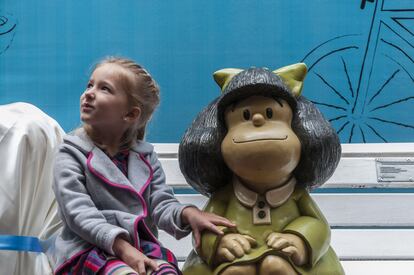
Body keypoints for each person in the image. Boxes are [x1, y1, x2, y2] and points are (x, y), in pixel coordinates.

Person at [50, 57, 234, 275]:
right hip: (89, 250)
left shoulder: (145, 157)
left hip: (140, 247)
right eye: (90, 85)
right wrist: (124, 249)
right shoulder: (71, 152)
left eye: (104, 89)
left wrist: (188, 214)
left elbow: (161, 204)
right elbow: (79, 214)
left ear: (130, 114)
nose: (89, 93)